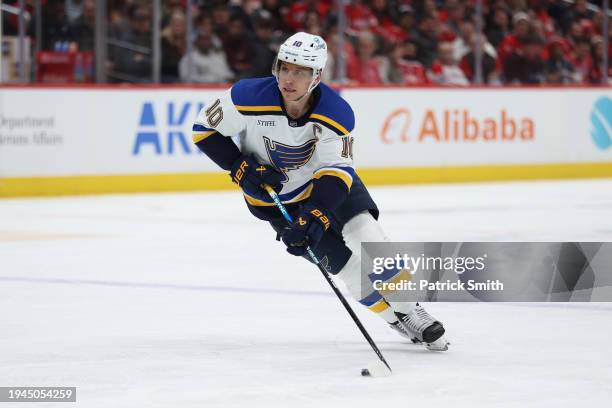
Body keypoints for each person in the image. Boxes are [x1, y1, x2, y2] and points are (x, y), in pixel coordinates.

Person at [192, 32, 449, 351]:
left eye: (300, 72)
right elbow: (204, 130)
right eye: (285, 68)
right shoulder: (246, 95)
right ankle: (394, 319)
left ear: (316, 76)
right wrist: (241, 169)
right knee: (344, 265)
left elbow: (336, 173)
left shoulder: (336, 112)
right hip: (278, 202)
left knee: (370, 240)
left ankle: (412, 311)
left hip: (329, 189)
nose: (289, 78)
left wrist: (315, 215)